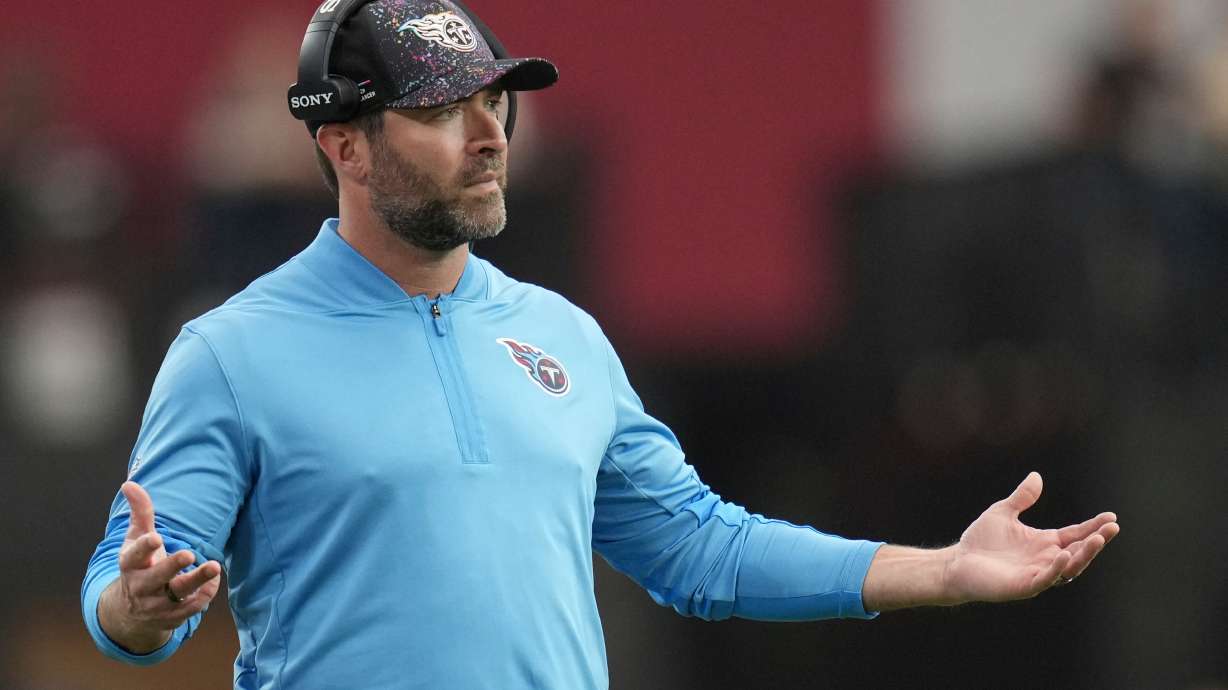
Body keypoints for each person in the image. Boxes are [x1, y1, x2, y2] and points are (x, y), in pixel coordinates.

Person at [81, 1, 1120, 688]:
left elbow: (698, 547)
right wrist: (137, 605)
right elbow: (131, 596)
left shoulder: (560, 335)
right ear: (342, 142)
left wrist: (940, 571)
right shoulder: (232, 352)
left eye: (497, 100)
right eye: (445, 112)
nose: (491, 134)